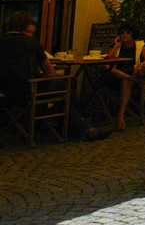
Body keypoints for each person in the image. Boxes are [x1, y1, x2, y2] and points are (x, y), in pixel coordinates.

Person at [0, 11, 107, 141]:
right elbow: (49, 70)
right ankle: (77, 127)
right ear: (27, 27)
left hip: (5, 91)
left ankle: (45, 123)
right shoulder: (31, 44)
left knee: (57, 86)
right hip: (30, 89)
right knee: (67, 84)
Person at [104, 22, 145, 131]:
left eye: (128, 32)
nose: (124, 35)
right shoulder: (117, 46)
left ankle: (120, 116)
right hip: (117, 73)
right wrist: (116, 45)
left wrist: (140, 65)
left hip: (132, 74)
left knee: (125, 81)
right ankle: (121, 116)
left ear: (133, 34)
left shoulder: (139, 45)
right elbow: (107, 58)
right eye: (122, 32)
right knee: (114, 72)